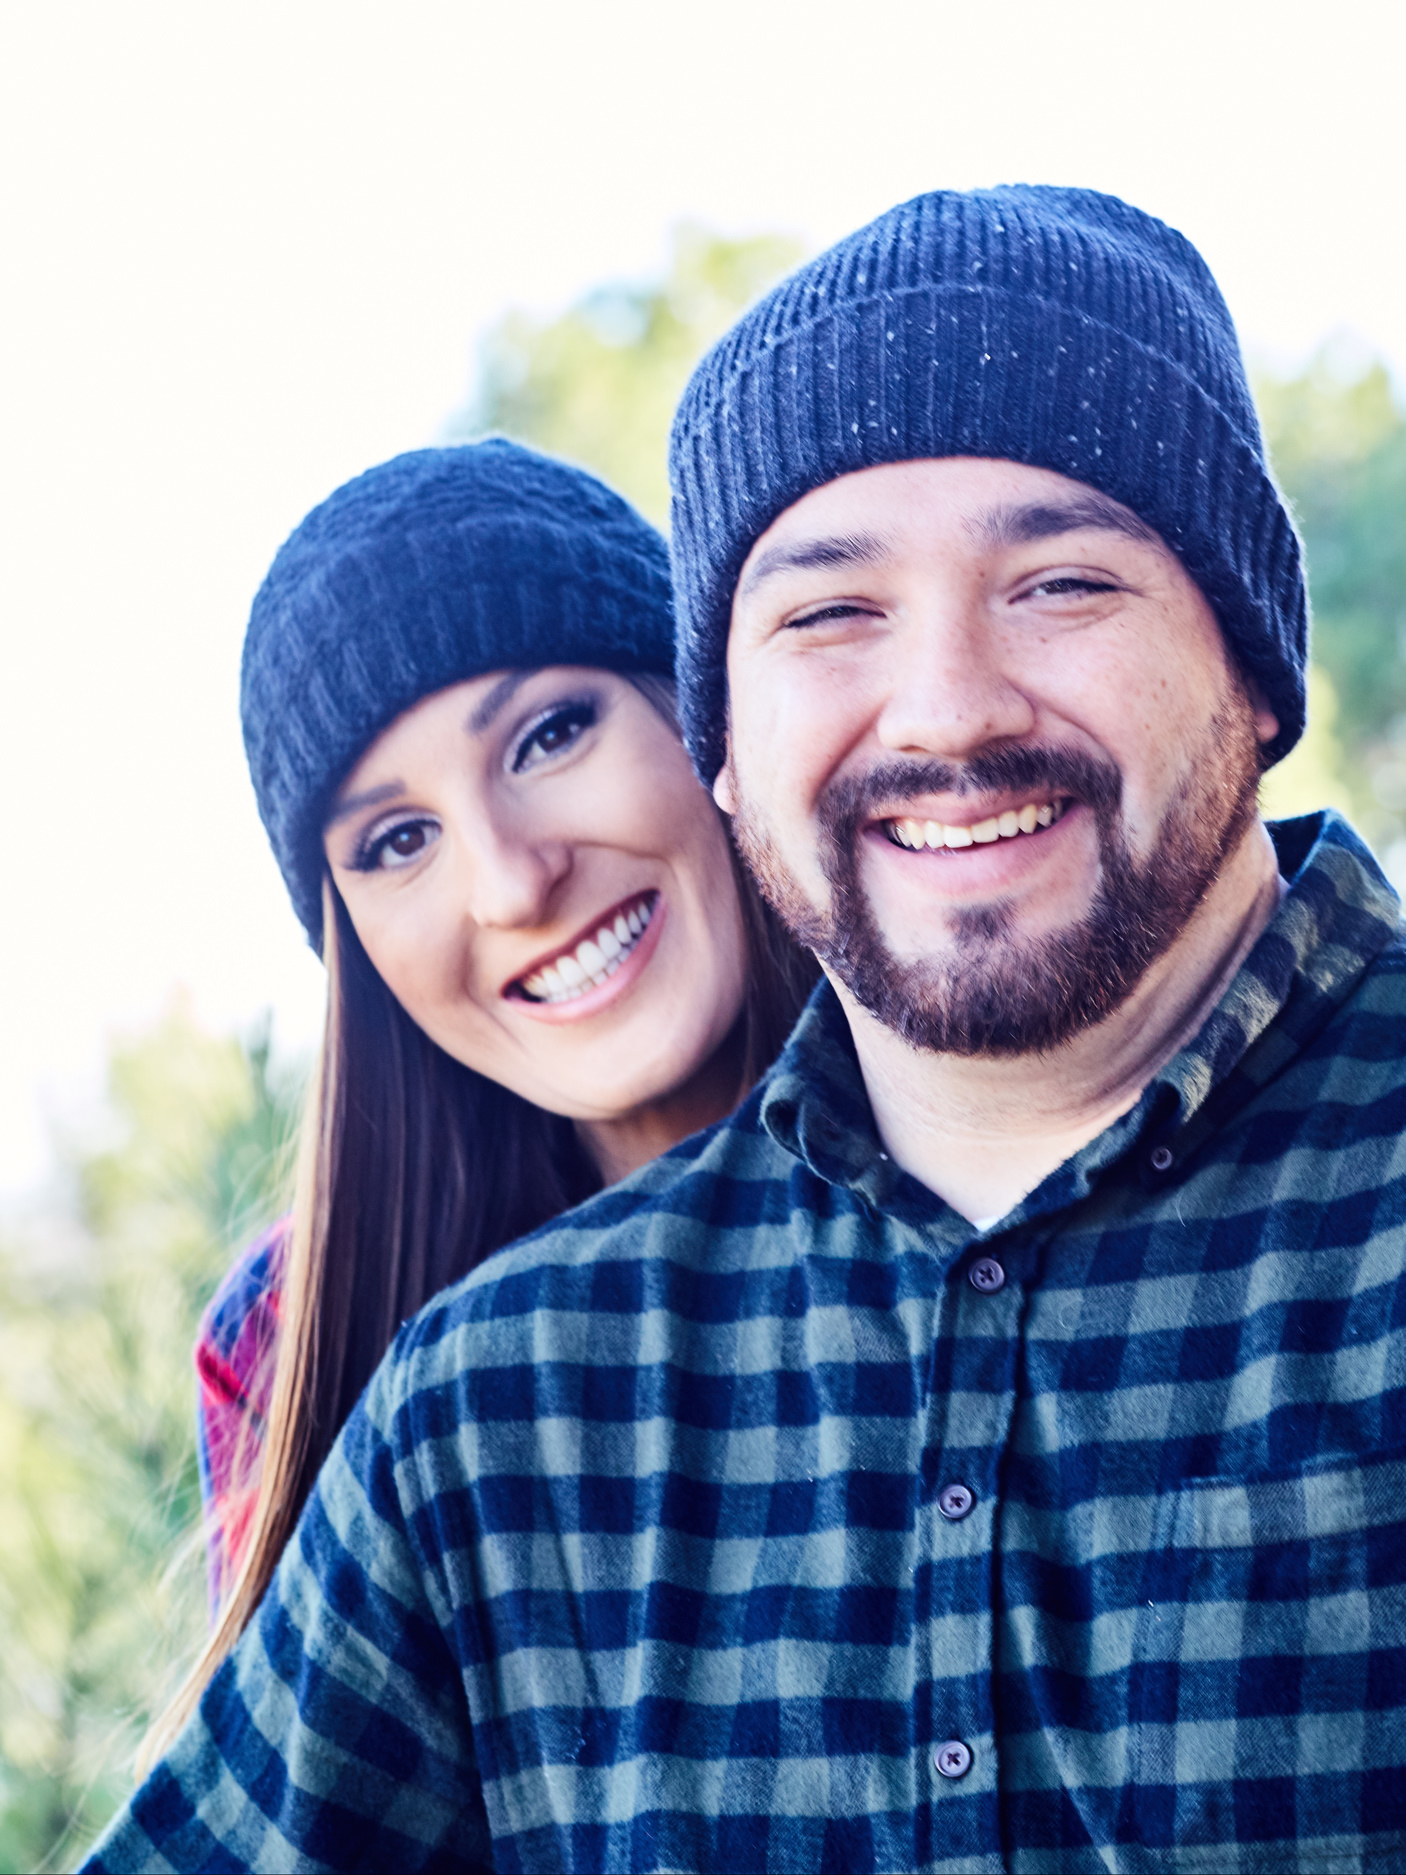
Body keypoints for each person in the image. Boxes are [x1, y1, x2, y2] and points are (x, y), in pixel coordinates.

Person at [87, 187, 1406, 1874]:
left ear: (1255, 662)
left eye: (1061, 580)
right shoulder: (482, 1414)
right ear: (734, 745)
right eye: (827, 614)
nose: (943, 705)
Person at [160, 437, 815, 1751]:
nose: (512, 885)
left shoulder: (1013, 1159)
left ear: (703, 721)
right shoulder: (294, 1342)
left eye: (549, 736)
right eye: (398, 841)